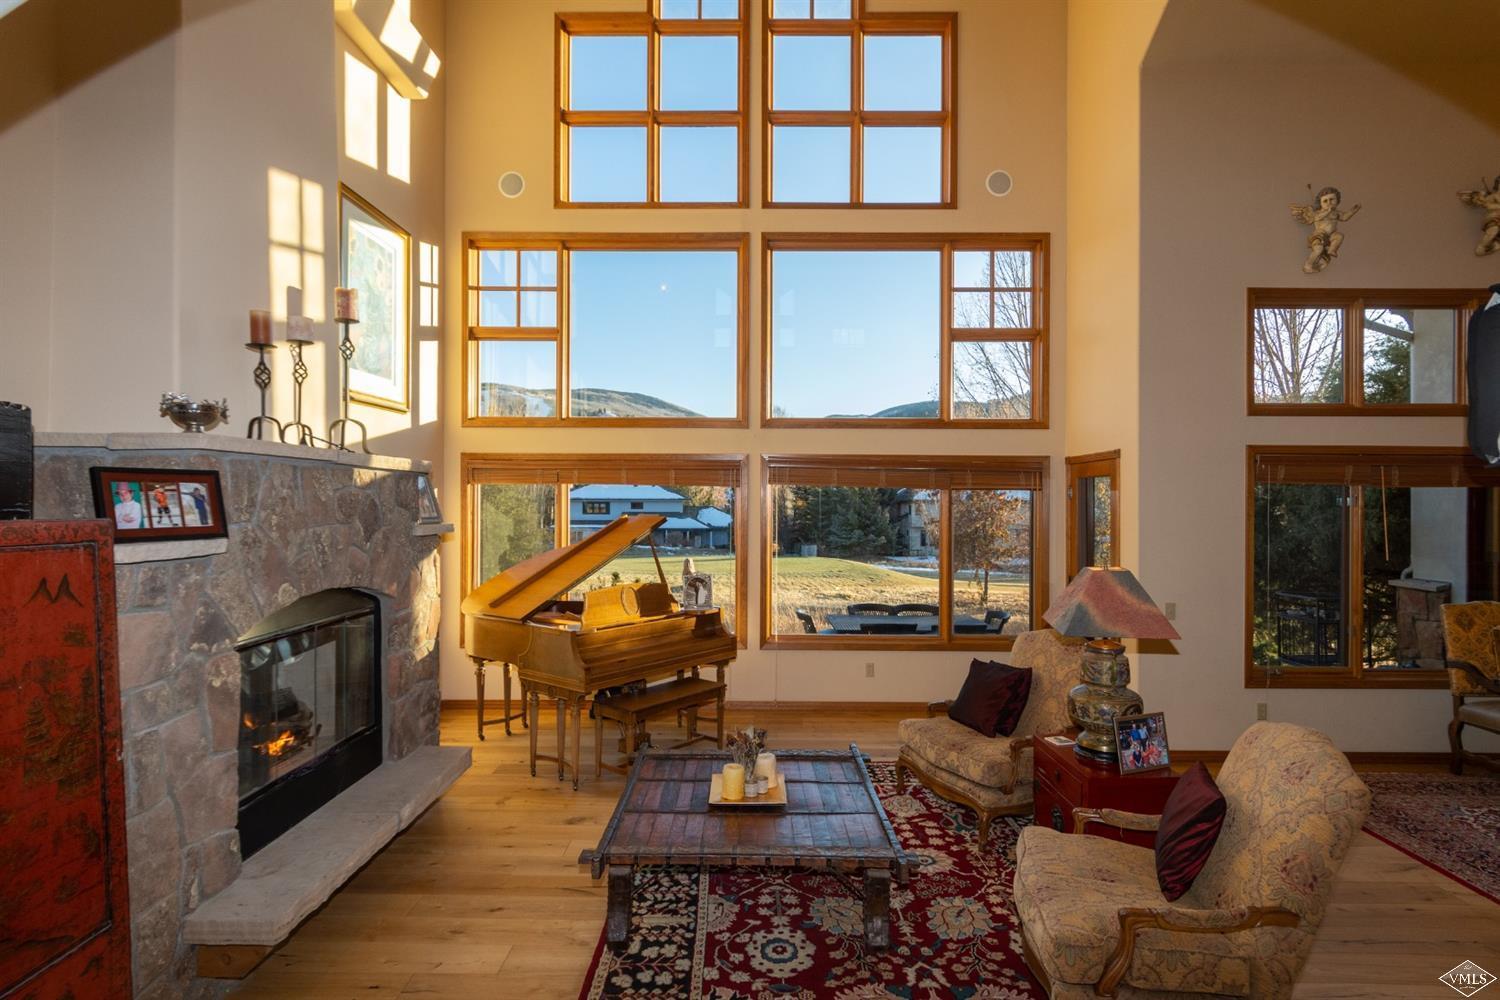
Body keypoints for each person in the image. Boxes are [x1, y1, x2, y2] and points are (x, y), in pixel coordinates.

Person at [1290, 186, 1361, 274]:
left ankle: (1332, 249)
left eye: (1332, 199)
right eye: (1325, 201)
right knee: (1318, 249)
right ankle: (1308, 265)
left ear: (1337, 201)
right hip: (1319, 235)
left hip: (1331, 235)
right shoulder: (1319, 213)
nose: (1329, 203)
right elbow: (1317, 218)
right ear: (1320, 203)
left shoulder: (1336, 213)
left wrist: (1354, 210)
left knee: (1339, 236)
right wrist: (1327, 211)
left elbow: (1345, 217)